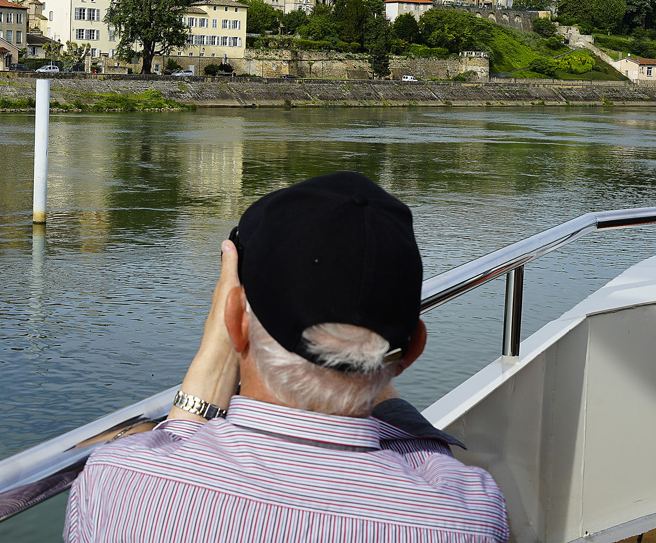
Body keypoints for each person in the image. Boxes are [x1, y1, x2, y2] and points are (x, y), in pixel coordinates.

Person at [64, 171, 508, 542]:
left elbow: (169, 457)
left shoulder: (121, 480)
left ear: (234, 321)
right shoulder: (467, 514)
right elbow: (418, 447)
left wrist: (212, 369)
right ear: (412, 351)